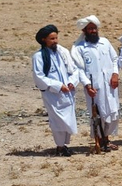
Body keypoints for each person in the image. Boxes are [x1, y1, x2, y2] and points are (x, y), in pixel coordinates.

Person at [32, 24, 90, 157]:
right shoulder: (39, 57)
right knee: (57, 120)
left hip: (67, 92)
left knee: (68, 119)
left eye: (56, 38)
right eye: (52, 39)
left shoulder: (62, 51)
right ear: (43, 40)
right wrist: (58, 85)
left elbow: (74, 70)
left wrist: (71, 82)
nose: (55, 41)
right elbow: (39, 77)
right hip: (52, 94)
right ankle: (59, 146)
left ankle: (63, 145)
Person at [71, 15, 121, 152]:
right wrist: (87, 85)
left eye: (94, 28)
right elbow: (79, 69)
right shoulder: (79, 48)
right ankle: (99, 140)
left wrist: (115, 74)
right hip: (94, 87)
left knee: (112, 112)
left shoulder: (104, 42)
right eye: (90, 29)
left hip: (110, 84)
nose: (93, 31)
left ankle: (107, 139)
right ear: (84, 31)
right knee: (98, 114)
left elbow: (115, 59)